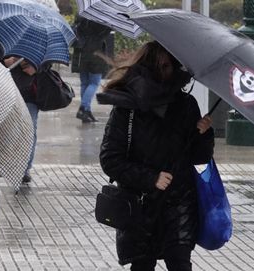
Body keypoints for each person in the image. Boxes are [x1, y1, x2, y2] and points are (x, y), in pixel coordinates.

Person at [98, 41, 214, 271]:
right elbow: (110, 159)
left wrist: (203, 134)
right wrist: (151, 179)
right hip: (141, 205)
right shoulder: (127, 108)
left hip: (180, 203)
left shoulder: (186, 104)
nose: (169, 72)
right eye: (163, 66)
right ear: (149, 68)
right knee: (142, 265)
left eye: (172, 66)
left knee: (180, 263)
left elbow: (199, 158)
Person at [0, 41, 67, 185]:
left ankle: (24, 170)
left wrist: (35, 67)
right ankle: (8, 165)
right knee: (7, 131)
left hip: (29, 93)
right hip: (5, 90)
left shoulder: (41, 37)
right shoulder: (2, 38)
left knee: (29, 130)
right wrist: (7, 61)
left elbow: (48, 60)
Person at [71, 15, 111, 123]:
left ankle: (87, 111)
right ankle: (83, 108)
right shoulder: (103, 18)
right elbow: (105, 34)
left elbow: (75, 27)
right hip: (96, 52)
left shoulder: (82, 15)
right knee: (94, 83)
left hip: (81, 51)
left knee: (84, 83)